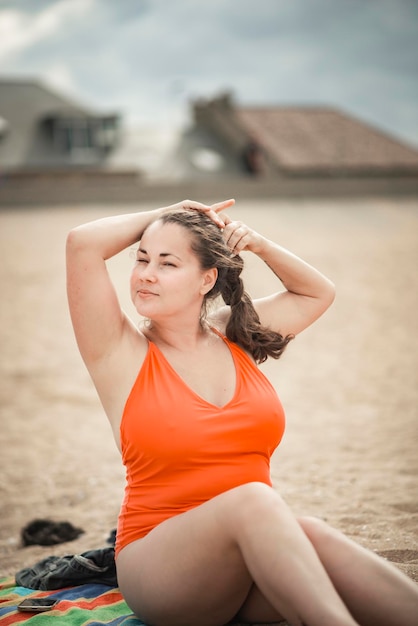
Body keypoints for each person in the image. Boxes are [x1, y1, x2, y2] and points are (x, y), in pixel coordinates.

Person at [66, 199, 418, 626]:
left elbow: (318, 292)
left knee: (311, 532)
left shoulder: (237, 334)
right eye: (141, 259)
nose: (146, 274)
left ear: (206, 278)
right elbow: (82, 244)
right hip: (161, 569)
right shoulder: (120, 352)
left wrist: (260, 245)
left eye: (167, 263)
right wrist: (173, 214)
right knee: (255, 500)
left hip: (245, 562)